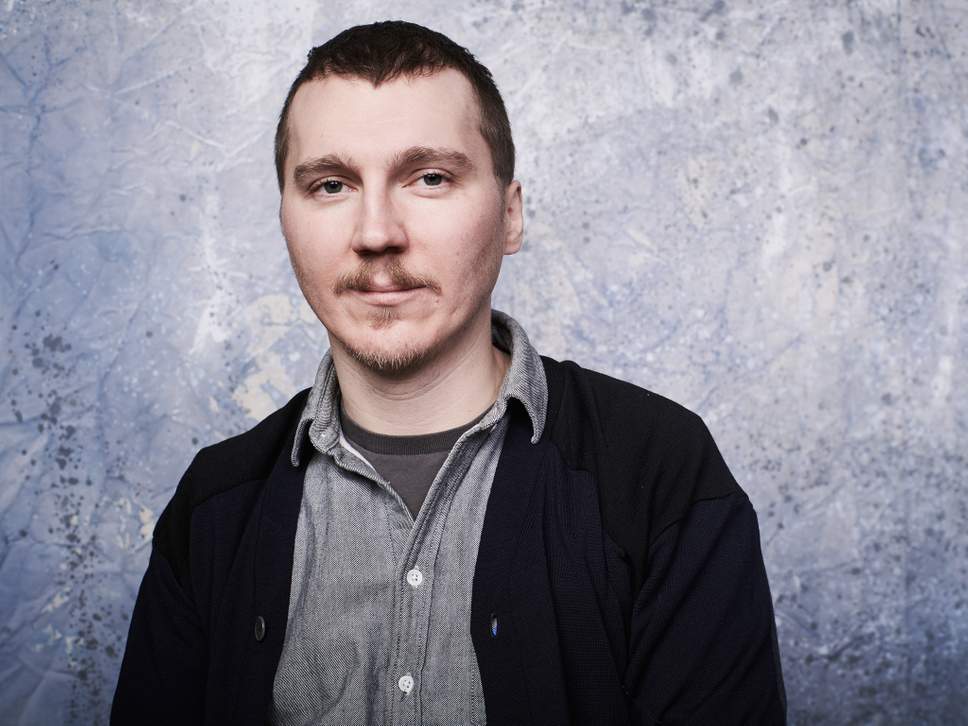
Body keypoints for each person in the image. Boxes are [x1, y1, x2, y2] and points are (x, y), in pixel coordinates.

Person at [111, 20, 786, 726]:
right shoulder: (213, 509)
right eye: (332, 184)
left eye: (429, 178)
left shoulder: (660, 473)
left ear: (510, 216)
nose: (377, 233)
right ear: (285, 219)